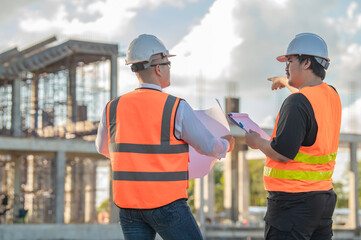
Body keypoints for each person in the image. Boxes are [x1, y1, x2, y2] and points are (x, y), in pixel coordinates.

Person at [95, 34, 234, 240]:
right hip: (166, 203)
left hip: (128, 206)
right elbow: (207, 146)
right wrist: (226, 145)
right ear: (158, 68)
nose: (169, 68)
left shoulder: (113, 107)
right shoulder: (175, 107)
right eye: (168, 63)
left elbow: (103, 148)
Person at [245, 33, 342, 240]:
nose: (286, 67)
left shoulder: (297, 102)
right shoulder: (332, 95)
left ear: (306, 62)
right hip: (322, 200)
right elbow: (309, 97)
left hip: (292, 202)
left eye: (289, 61)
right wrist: (285, 81)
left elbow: (282, 153)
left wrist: (257, 142)